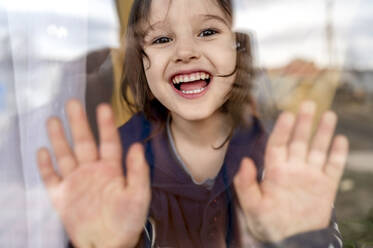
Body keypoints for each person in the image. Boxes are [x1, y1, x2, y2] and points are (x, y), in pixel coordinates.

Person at [36, 0, 349, 247]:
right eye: (161, 39)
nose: (185, 52)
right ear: (141, 62)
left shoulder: (276, 156)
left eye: (208, 32)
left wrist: (302, 240)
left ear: (238, 48)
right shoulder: (115, 160)